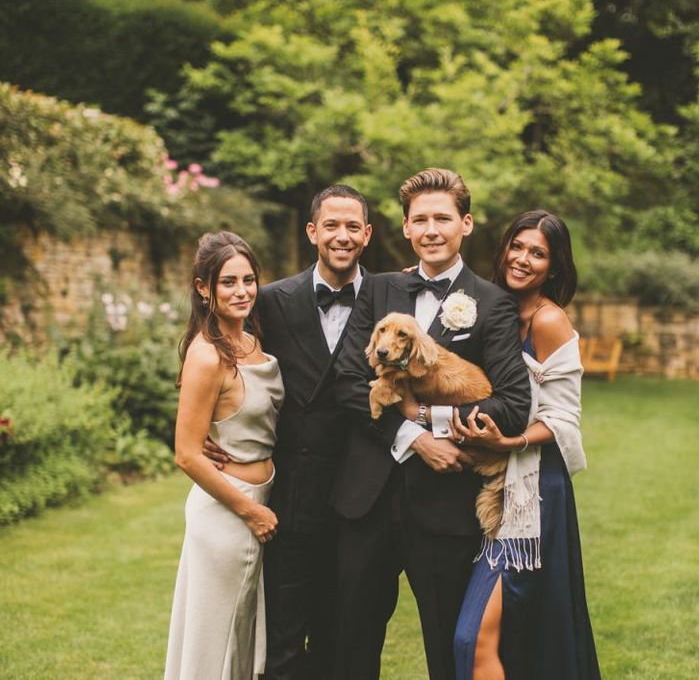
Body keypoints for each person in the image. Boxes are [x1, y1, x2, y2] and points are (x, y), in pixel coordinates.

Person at [332, 168, 531, 680]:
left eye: (442, 218)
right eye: (419, 219)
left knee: (448, 649)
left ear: (465, 224)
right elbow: (347, 381)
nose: (431, 229)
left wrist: (431, 418)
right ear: (404, 228)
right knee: (349, 645)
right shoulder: (375, 290)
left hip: (445, 509)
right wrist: (412, 435)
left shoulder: (492, 303)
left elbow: (510, 404)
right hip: (366, 503)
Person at [204, 185, 372, 679]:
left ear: (367, 234)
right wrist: (216, 422)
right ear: (312, 231)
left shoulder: (390, 294)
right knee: (280, 640)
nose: (342, 236)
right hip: (291, 500)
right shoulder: (271, 300)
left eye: (352, 226)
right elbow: (219, 347)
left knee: (345, 641)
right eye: (331, 225)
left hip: (362, 500)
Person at [452, 210, 600, 679]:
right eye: (517, 246)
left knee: (473, 638)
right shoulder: (489, 307)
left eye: (538, 253)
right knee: (507, 635)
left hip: (531, 492)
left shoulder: (549, 320)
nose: (522, 259)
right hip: (481, 485)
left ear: (554, 268)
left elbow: (563, 418)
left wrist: (509, 440)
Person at [164, 231, 285, 680]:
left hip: (261, 500)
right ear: (204, 289)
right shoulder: (207, 355)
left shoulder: (253, 339)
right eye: (228, 282)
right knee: (216, 643)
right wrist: (250, 512)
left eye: (249, 280)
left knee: (244, 639)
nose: (242, 291)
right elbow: (187, 454)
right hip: (229, 511)